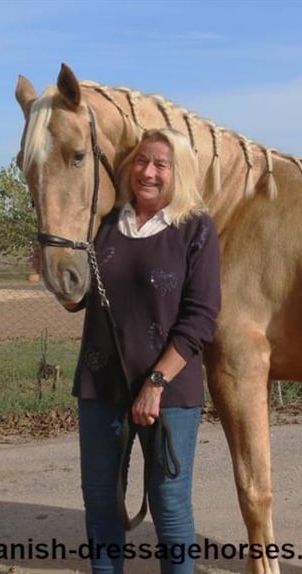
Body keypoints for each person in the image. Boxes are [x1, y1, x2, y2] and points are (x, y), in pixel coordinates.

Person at [72, 128, 221, 574]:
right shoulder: (103, 224)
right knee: (101, 501)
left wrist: (155, 383)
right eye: (141, 161)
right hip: (101, 385)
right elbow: (80, 299)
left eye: (161, 164)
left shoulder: (195, 228)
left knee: (169, 505)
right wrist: (54, 273)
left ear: (180, 173)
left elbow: (201, 317)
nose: (148, 172)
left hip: (170, 394)